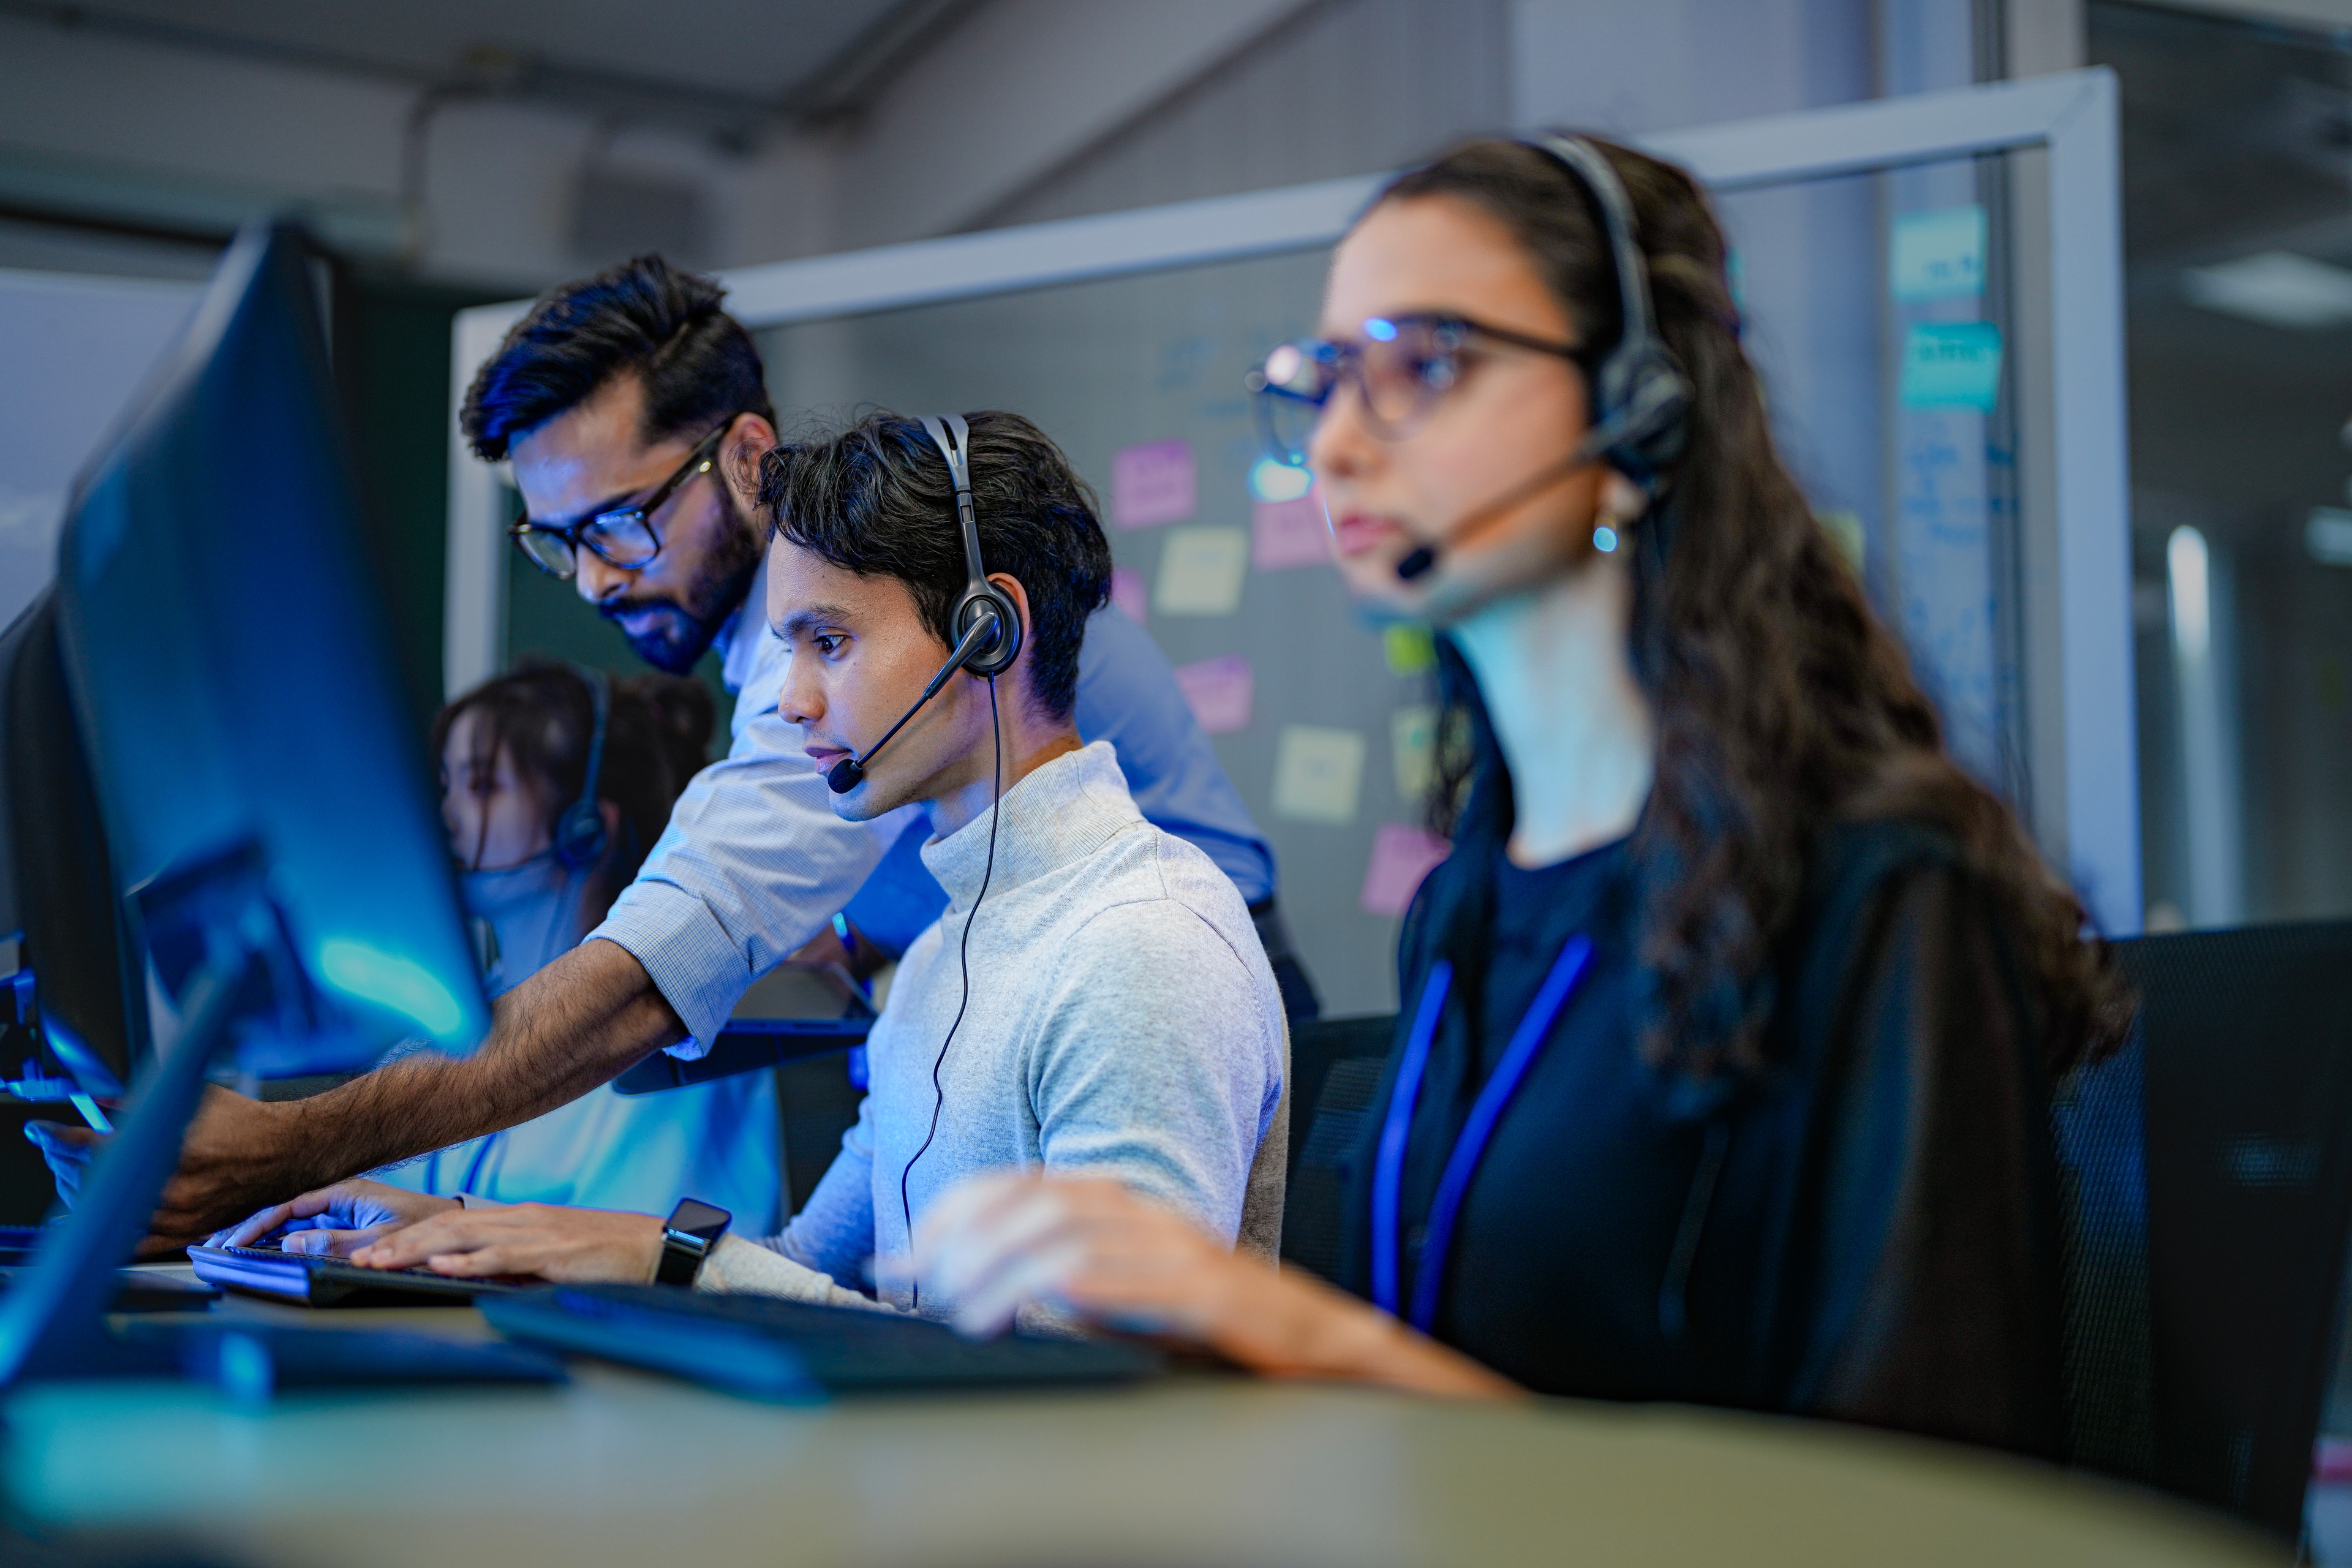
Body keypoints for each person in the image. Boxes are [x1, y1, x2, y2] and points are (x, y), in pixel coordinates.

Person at [903, 134, 2128, 1454]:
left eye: (1426, 365)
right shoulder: (1468, 900)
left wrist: (1299, 1333)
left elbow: (1909, 1520)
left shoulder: (1879, 896)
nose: (1340, 442)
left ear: (1637, 411)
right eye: (1324, 380)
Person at [107, 257, 1309, 1246]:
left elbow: (646, 973)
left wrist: (293, 1140)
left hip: (1130, 1000)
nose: (594, 578)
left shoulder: (908, 651)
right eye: (557, 544)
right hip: (976, 965)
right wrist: (520, 1228)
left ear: (744, 456)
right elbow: (828, 1291)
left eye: (621, 521)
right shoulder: (812, 675)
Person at [379, 660, 781, 1229]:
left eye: (484, 785)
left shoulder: (673, 1034)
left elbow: (646, 1265)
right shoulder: (438, 1030)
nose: (444, 816)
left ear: (585, 827)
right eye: (447, 786)